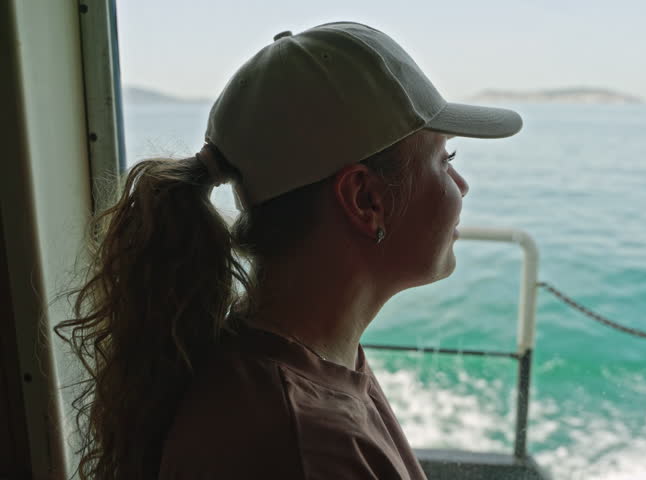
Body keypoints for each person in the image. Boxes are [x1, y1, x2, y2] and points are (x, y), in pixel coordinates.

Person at [56, 21, 522, 479]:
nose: (462, 184)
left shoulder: (303, 361)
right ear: (365, 199)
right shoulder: (306, 446)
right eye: (445, 160)